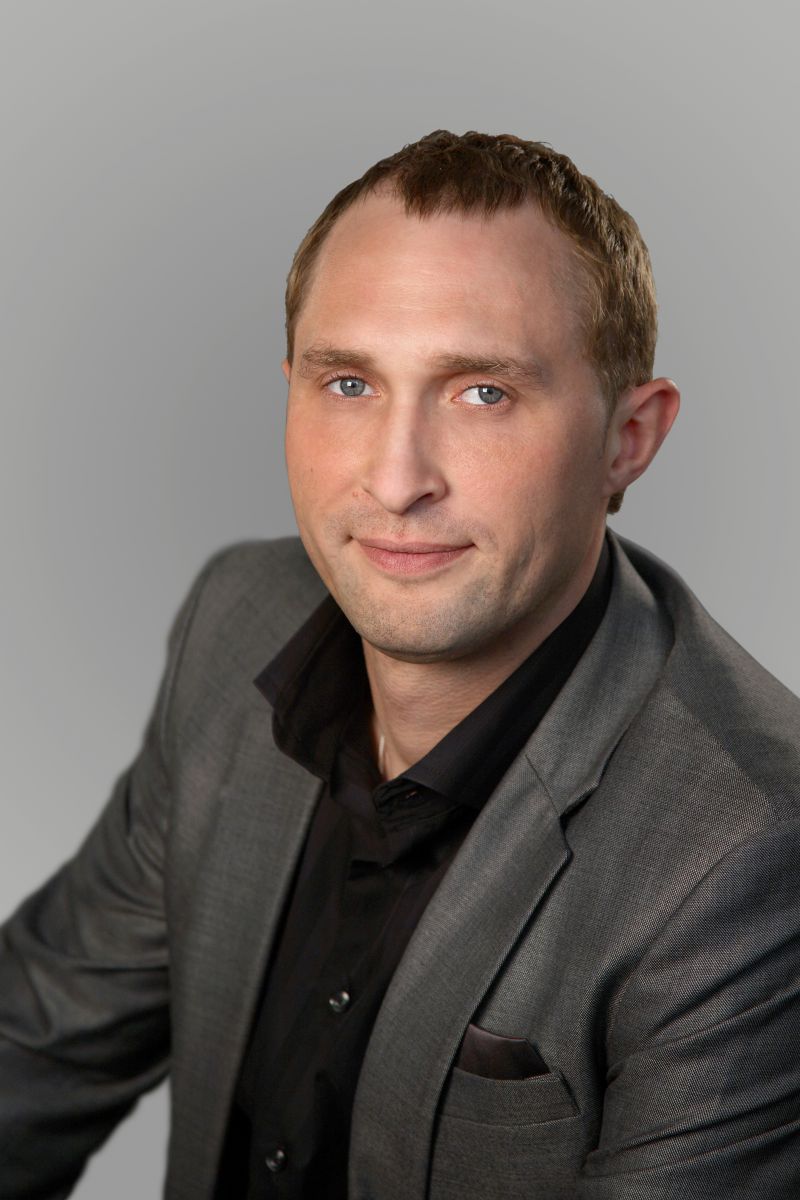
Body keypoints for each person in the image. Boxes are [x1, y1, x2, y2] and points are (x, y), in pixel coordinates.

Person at [2, 129, 799, 1200]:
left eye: (483, 393)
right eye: (348, 383)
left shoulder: (747, 855)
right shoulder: (235, 624)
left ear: (628, 438)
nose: (395, 478)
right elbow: (34, 1043)